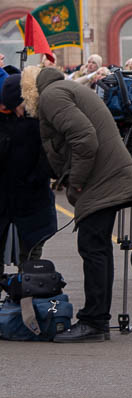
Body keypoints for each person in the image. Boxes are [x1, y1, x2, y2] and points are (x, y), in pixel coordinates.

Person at [15, 64, 132, 342]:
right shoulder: (64, 89)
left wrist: (77, 182)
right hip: (111, 178)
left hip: (102, 182)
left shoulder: (52, 95)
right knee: (97, 249)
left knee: (93, 249)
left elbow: (84, 138)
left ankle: (94, 322)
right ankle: (97, 319)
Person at [0, 71, 57, 263]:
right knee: (28, 251)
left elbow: (47, 160)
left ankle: (28, 287)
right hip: (17, 200)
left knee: (31, 251)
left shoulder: (37, 123)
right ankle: (27, 285)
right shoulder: (21, 124)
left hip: (32, 201)